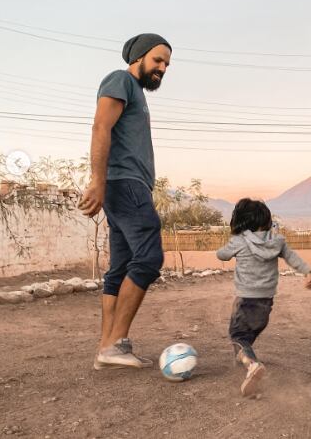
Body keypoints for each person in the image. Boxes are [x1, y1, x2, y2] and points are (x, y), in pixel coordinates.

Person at [79, 33, 172, 370]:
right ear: (139, 56)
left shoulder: (136, 93)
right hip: (125, 183)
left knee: (119, 267)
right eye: (157, 60)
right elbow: (100, 128)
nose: (162, 68)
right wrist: (97, 182)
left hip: (126, 186)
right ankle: (116, 343)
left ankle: (106, 347)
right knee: (149, 258)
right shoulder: (121, 80)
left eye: (166, 65)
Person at [217, 198, 311, 396]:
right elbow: (292, 257)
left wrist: (229, 246)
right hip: (266, 301)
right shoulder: (276, 241)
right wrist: (307, 272)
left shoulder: (240, 240)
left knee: (237, 336)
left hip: (246, 299)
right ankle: (246, 359)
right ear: (266, 221)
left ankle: (252, 364)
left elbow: (222, 255)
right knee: (248, 334)